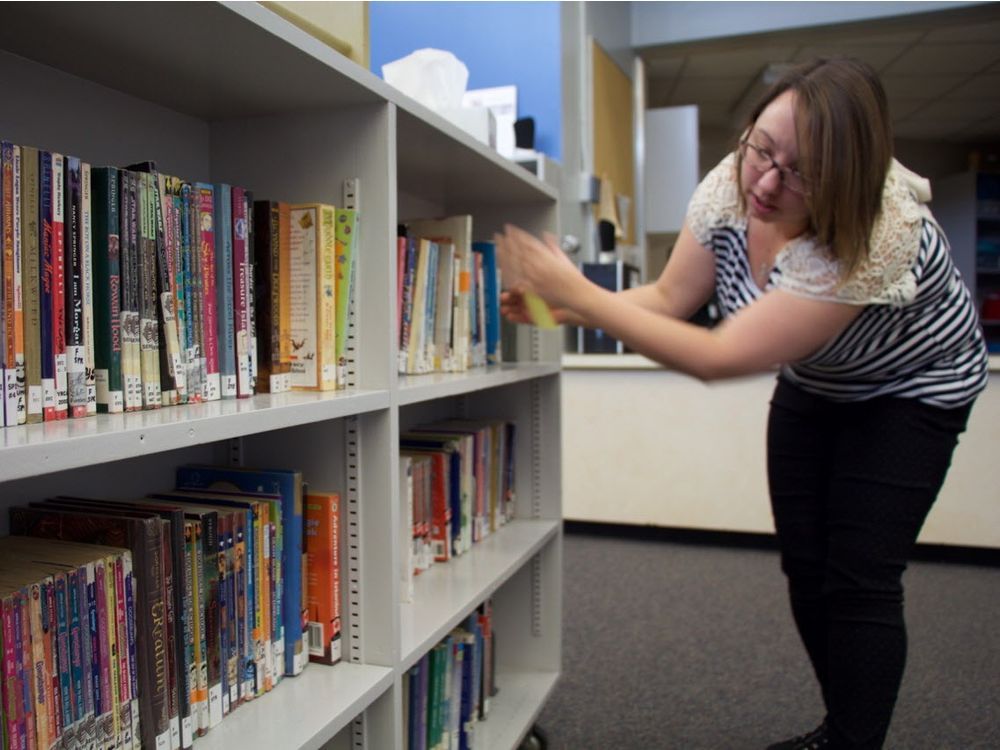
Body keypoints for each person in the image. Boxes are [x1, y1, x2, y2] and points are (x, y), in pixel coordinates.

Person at [497, 57, 989, 750]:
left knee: (859, 576)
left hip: (913, 388)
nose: (765, 181)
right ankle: (839, 723)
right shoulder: (732, 187)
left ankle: (854, 741)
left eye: (800, 172)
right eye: (763, 147)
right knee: (806, 565)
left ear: (844, 180)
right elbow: (670, 301)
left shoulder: (877, 234)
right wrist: (556, 308)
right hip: (816, 382)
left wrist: (581, 295)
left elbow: (716, 356)